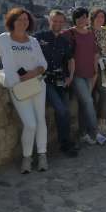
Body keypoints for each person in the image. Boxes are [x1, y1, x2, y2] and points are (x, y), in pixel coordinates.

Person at [0, 8, 48, 174]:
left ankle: (42, 155)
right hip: (17, 87)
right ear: (12, 21)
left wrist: (32, 74)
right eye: (19, 19)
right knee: (30, 124)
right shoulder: (2, 40)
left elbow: (43, 64)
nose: (23, 22)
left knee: (40, 121)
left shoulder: (33, 41)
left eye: (26, 20)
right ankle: (27, 158)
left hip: (37, 85)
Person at [34, 10, 78, 157]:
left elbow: (71, 60)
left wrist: (70, 76)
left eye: (60, 21)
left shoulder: (64, 41)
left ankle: (65, 141)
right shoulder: (39, 38)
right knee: (62, 110)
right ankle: (65, 143)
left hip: (60, 80)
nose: (57, 24)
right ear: (49, 21)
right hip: (45, 81)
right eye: (55, 21)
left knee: (64, 111)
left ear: (64, 23)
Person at [62, 7, 106, 146]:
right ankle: (94, 133)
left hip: (90, 74)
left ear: (88, 18)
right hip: (76, 75)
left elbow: (95, 54)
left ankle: (83, 134)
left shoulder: (90, 34)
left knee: (84, 104)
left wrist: (95, 72)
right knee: (88, 101)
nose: (82, 20)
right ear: (74, 19)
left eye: (84, 17)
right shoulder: (69, 33)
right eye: (79, 17)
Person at [89, 8, 106, 137]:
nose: (100, 19)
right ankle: (98, 124)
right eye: (98, 16)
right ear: (92, 18)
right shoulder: (88, 31)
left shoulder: (104, 31)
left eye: (102, 17)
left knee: (105, 94)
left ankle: (102, 123)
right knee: (101, 94)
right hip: (92, 67)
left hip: (104, 66)